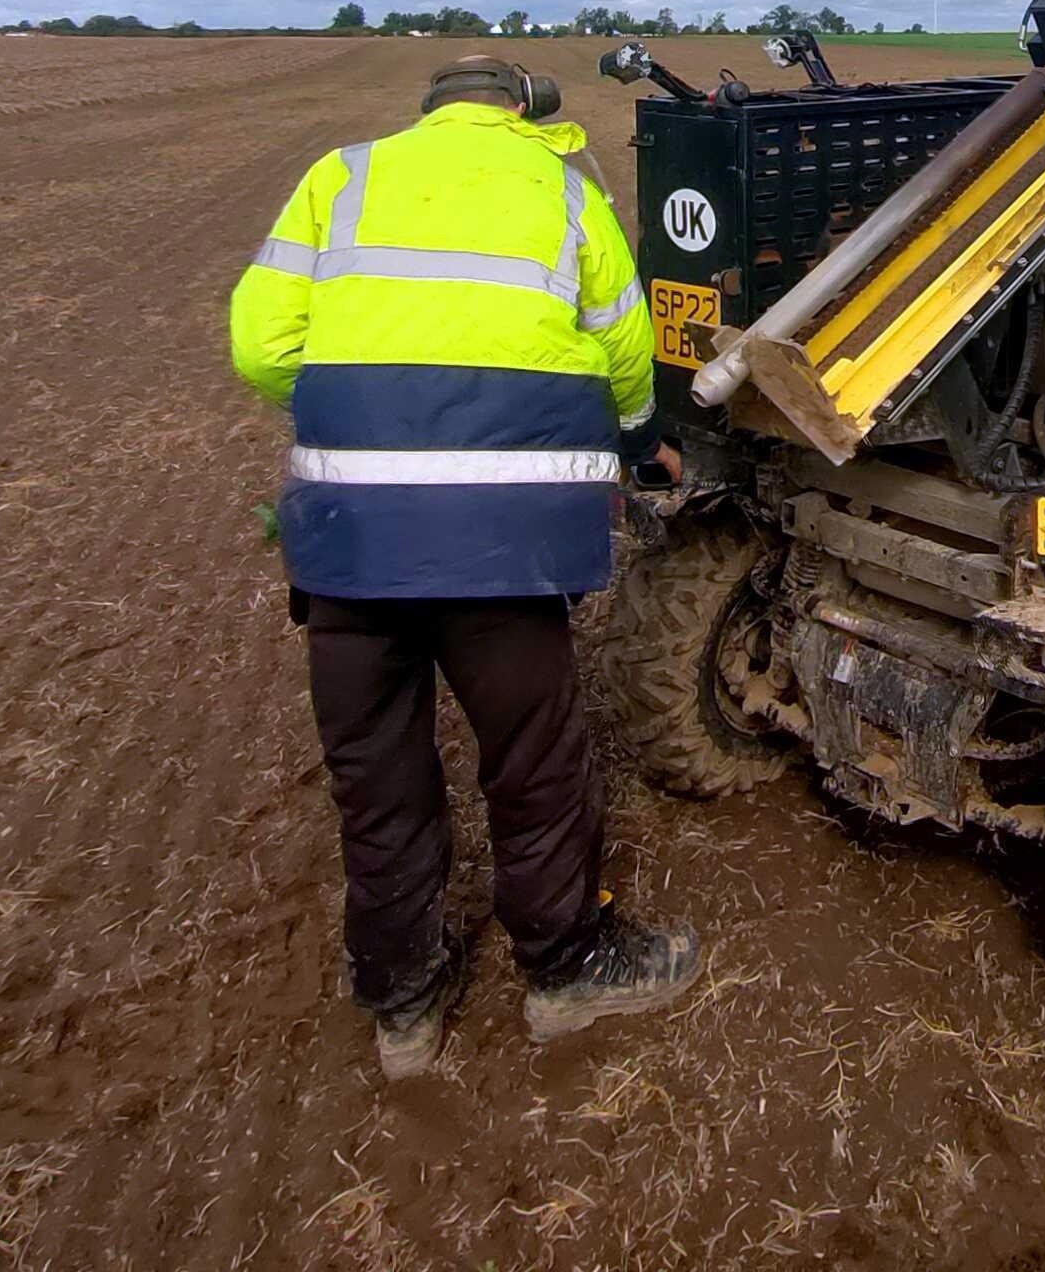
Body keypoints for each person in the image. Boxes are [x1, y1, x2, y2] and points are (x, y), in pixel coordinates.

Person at [229, 53, 701, 1078]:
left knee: (378, 778)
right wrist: (640, 439)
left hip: (353, 540)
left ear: (430, 115)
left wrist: (377, 414)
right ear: (525, 113)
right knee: (533, 762)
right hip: (506, 543)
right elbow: (624, 350)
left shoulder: (341, 176)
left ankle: (403, 1005)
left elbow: (260, 348)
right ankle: (565, 970)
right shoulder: (565, 192)